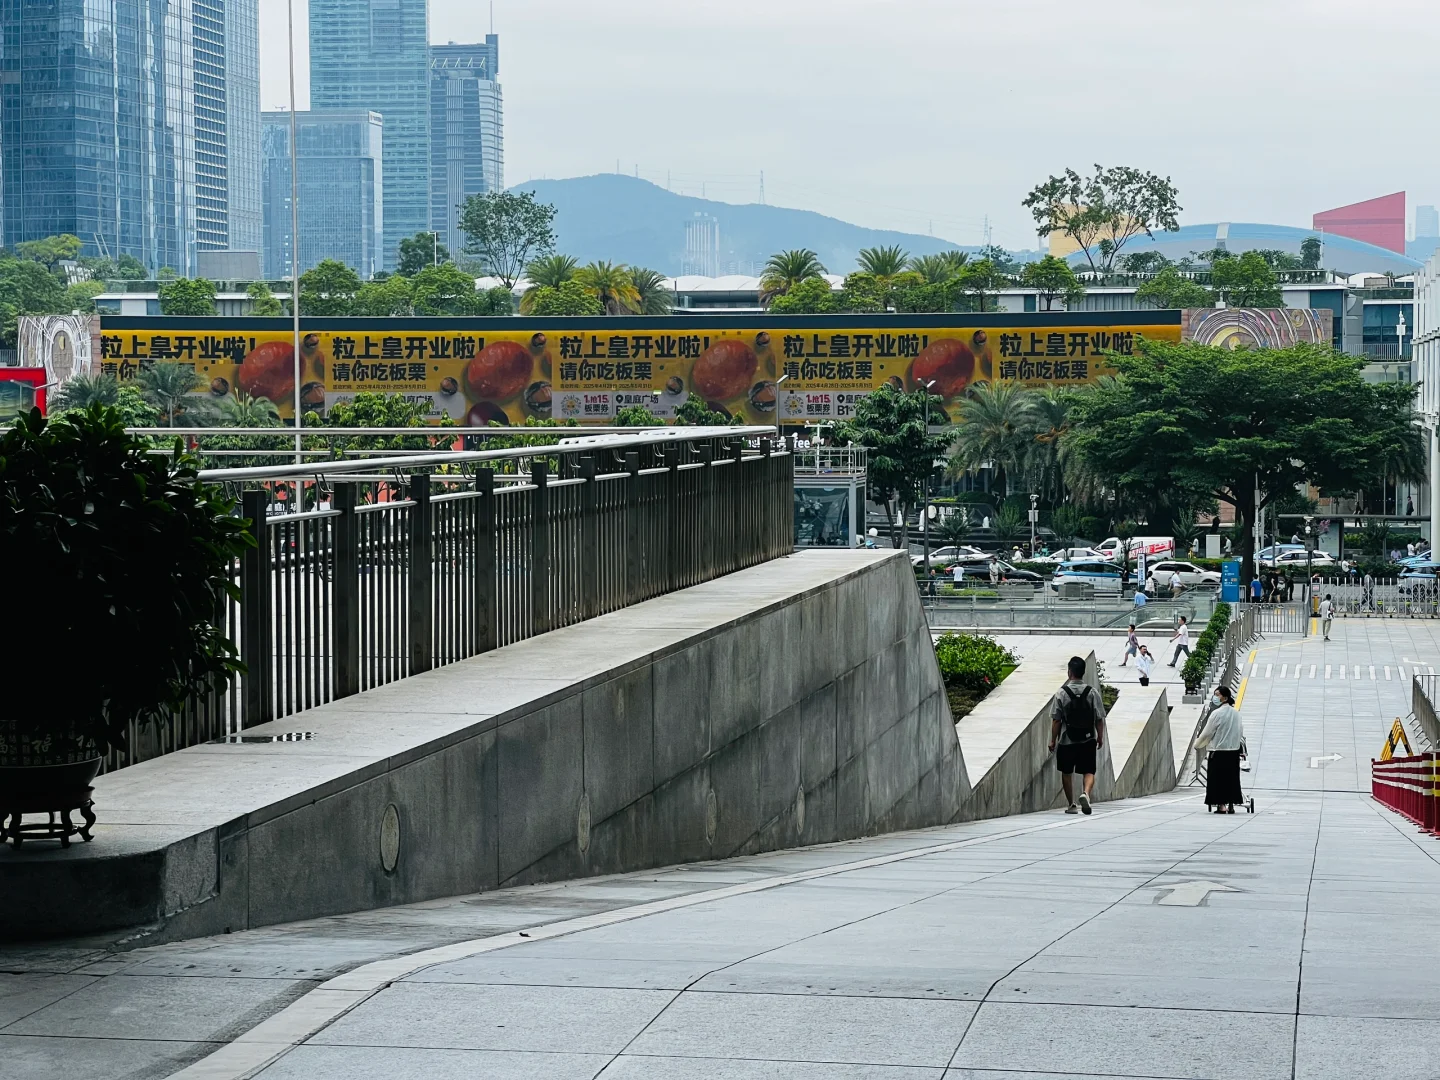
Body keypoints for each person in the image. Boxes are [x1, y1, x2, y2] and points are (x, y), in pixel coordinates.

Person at [1048, 655, 1107, 815]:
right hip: (1088, 739)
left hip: (1067, 740)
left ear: (1069, 672)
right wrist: (1099, 737)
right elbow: (1099, 718)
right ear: (1083, 672)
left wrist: (1053, 740)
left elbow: (1056, 720)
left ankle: (1071, 805)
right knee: (1089, 771)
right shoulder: (1092, 692)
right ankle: (1086, 794)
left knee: (1067, 772)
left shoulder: (1061, 693)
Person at [1195, 685, 1246, 813]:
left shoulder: (1216, 714)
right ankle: (1231, 804)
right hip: (1233, 753)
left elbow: (1207, 733)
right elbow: (1240, 732)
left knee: (1217, 779)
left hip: (1218, 753)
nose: (1215, 697)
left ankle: (1221, 805)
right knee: (1231, 779)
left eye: (1217, 695)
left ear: (1225, 697)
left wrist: (1198, 744)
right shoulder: (1237, 714)